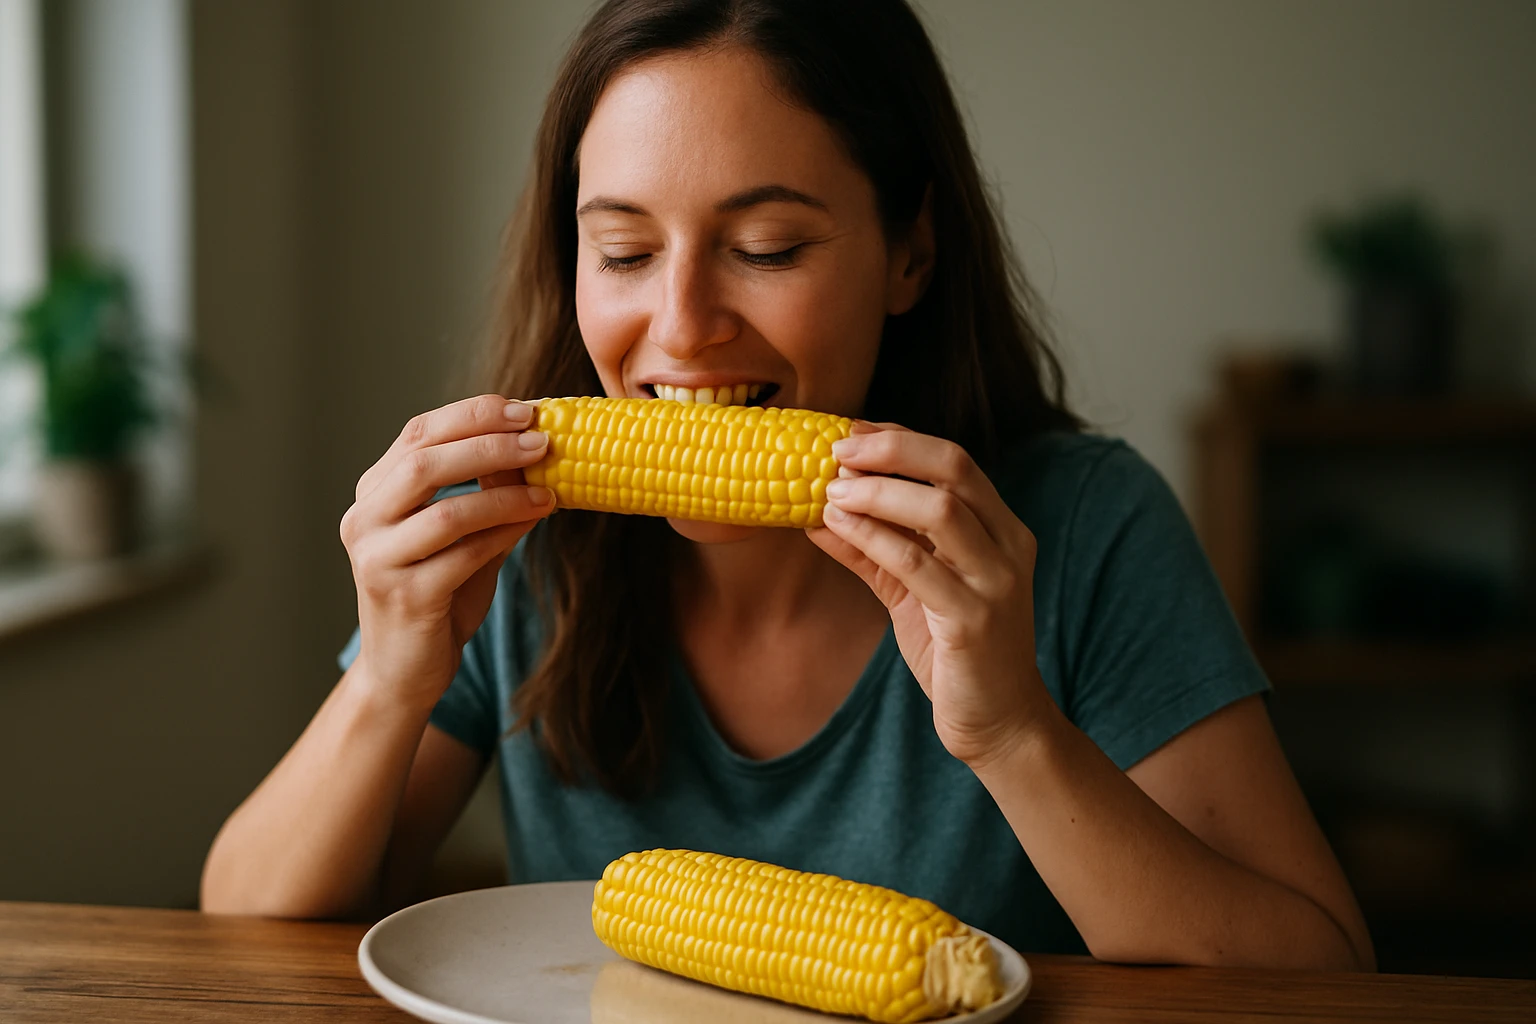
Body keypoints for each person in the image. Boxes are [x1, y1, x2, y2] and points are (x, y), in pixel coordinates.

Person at [201, 0, 1374, 971]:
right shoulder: (521, 542)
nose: (682, 327)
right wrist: (390, 677)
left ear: (911, 250)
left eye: (765, 248)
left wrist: (1014, 730)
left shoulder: (1079, 526)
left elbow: (1320, 967)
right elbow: (242, 925)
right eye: (623, 252)